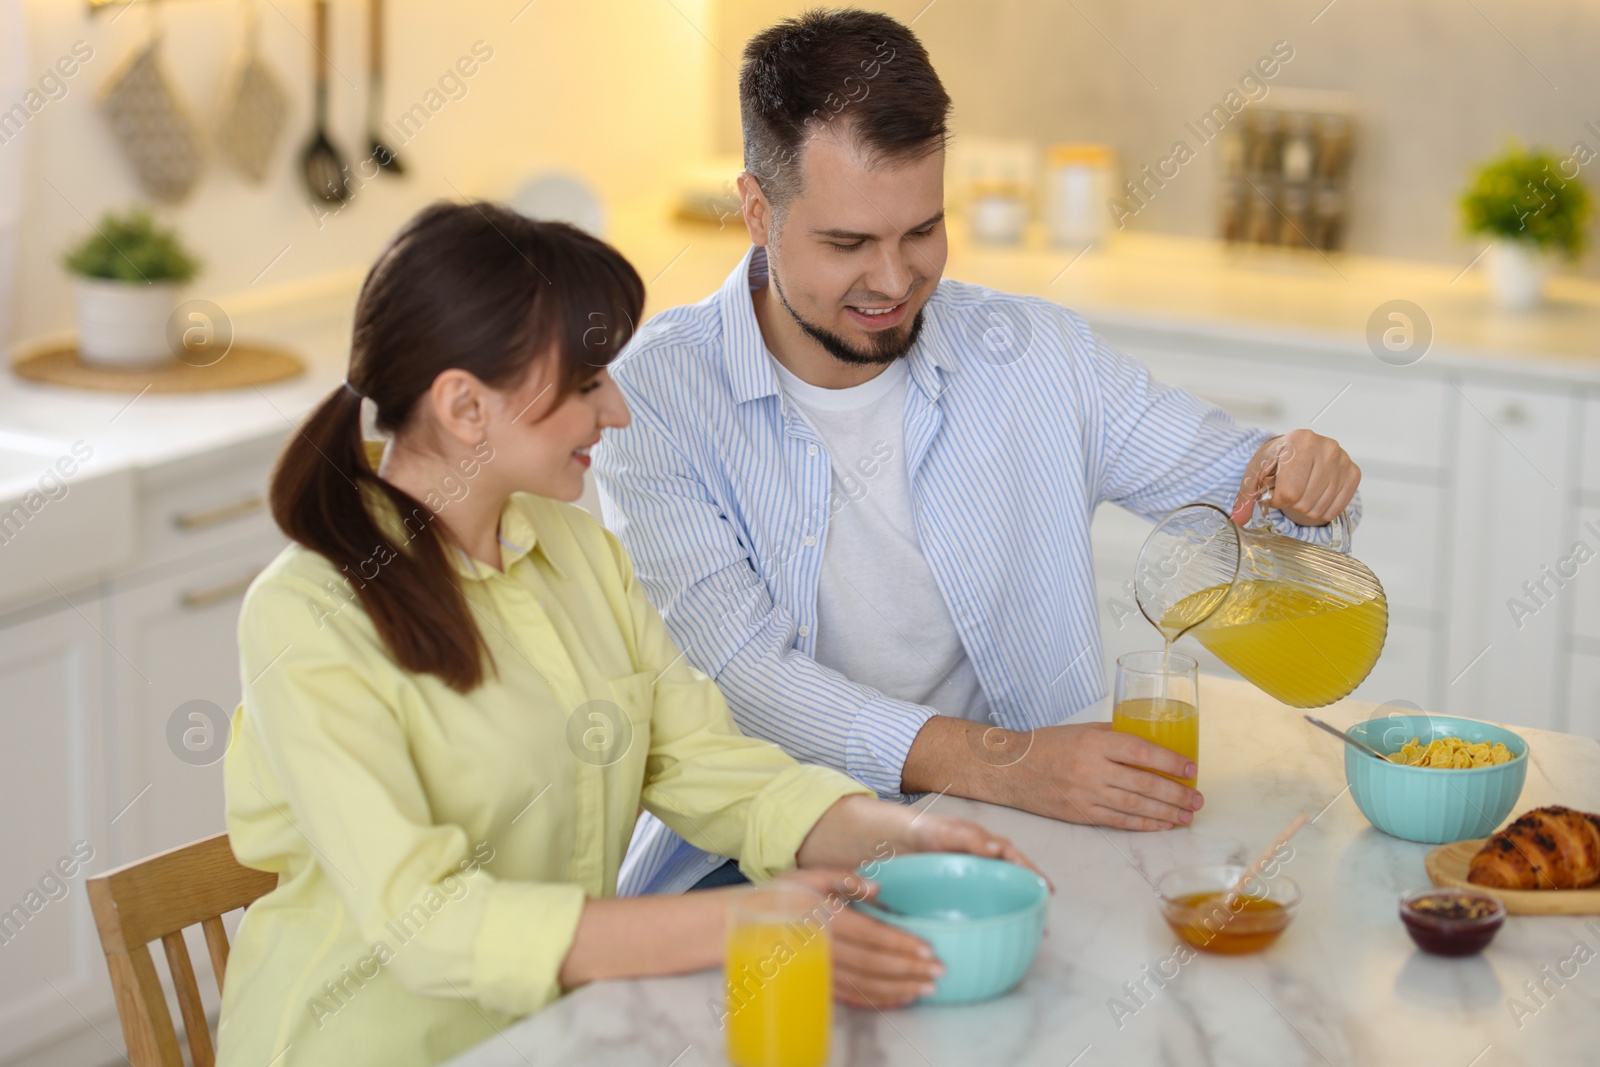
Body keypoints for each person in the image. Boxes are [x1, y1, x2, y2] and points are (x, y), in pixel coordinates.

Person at [216, 201, 1039, 1067]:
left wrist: (896, 833)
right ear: (463, 405)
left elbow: (701, 762)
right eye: (584, 384)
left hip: (569, 1035)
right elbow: (429, 924)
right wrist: (742, 919)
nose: (618, 410)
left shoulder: (576, 552)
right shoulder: (308, 617)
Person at [592, 9, 1362, 897]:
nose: (891, 281)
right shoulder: (653, 397)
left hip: (1025, 834)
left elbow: (1256, 505)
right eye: (847, 243)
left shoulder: (1036, 354)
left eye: (921, 231)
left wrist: (1304, 476)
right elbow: (746, 682)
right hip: (760, 857)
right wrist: (1005, 761)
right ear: (757, 211)